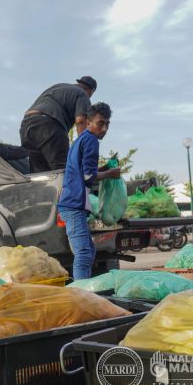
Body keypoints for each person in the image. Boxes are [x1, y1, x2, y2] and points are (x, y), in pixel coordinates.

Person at [57, 102, 120, 279]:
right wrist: (110, 174)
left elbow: (84, 171)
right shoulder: (91, 140)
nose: (104, 129)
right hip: (73, 205)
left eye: (107, 124)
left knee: (89, 251)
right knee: (84, 253)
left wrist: (105, 168)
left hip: (71, 204)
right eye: (100, 123)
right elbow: (89, 177)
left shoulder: (81, 140)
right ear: (88, 123)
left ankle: (84, 288)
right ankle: (81, 291)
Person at [20, 76, 97, 173]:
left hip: (27, 125)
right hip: (49, 125)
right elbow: (81, 121)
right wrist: (83, 149)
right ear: (91, 91)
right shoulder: (83, 94)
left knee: (39, 174)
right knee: (62, 170)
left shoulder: (59, 86)